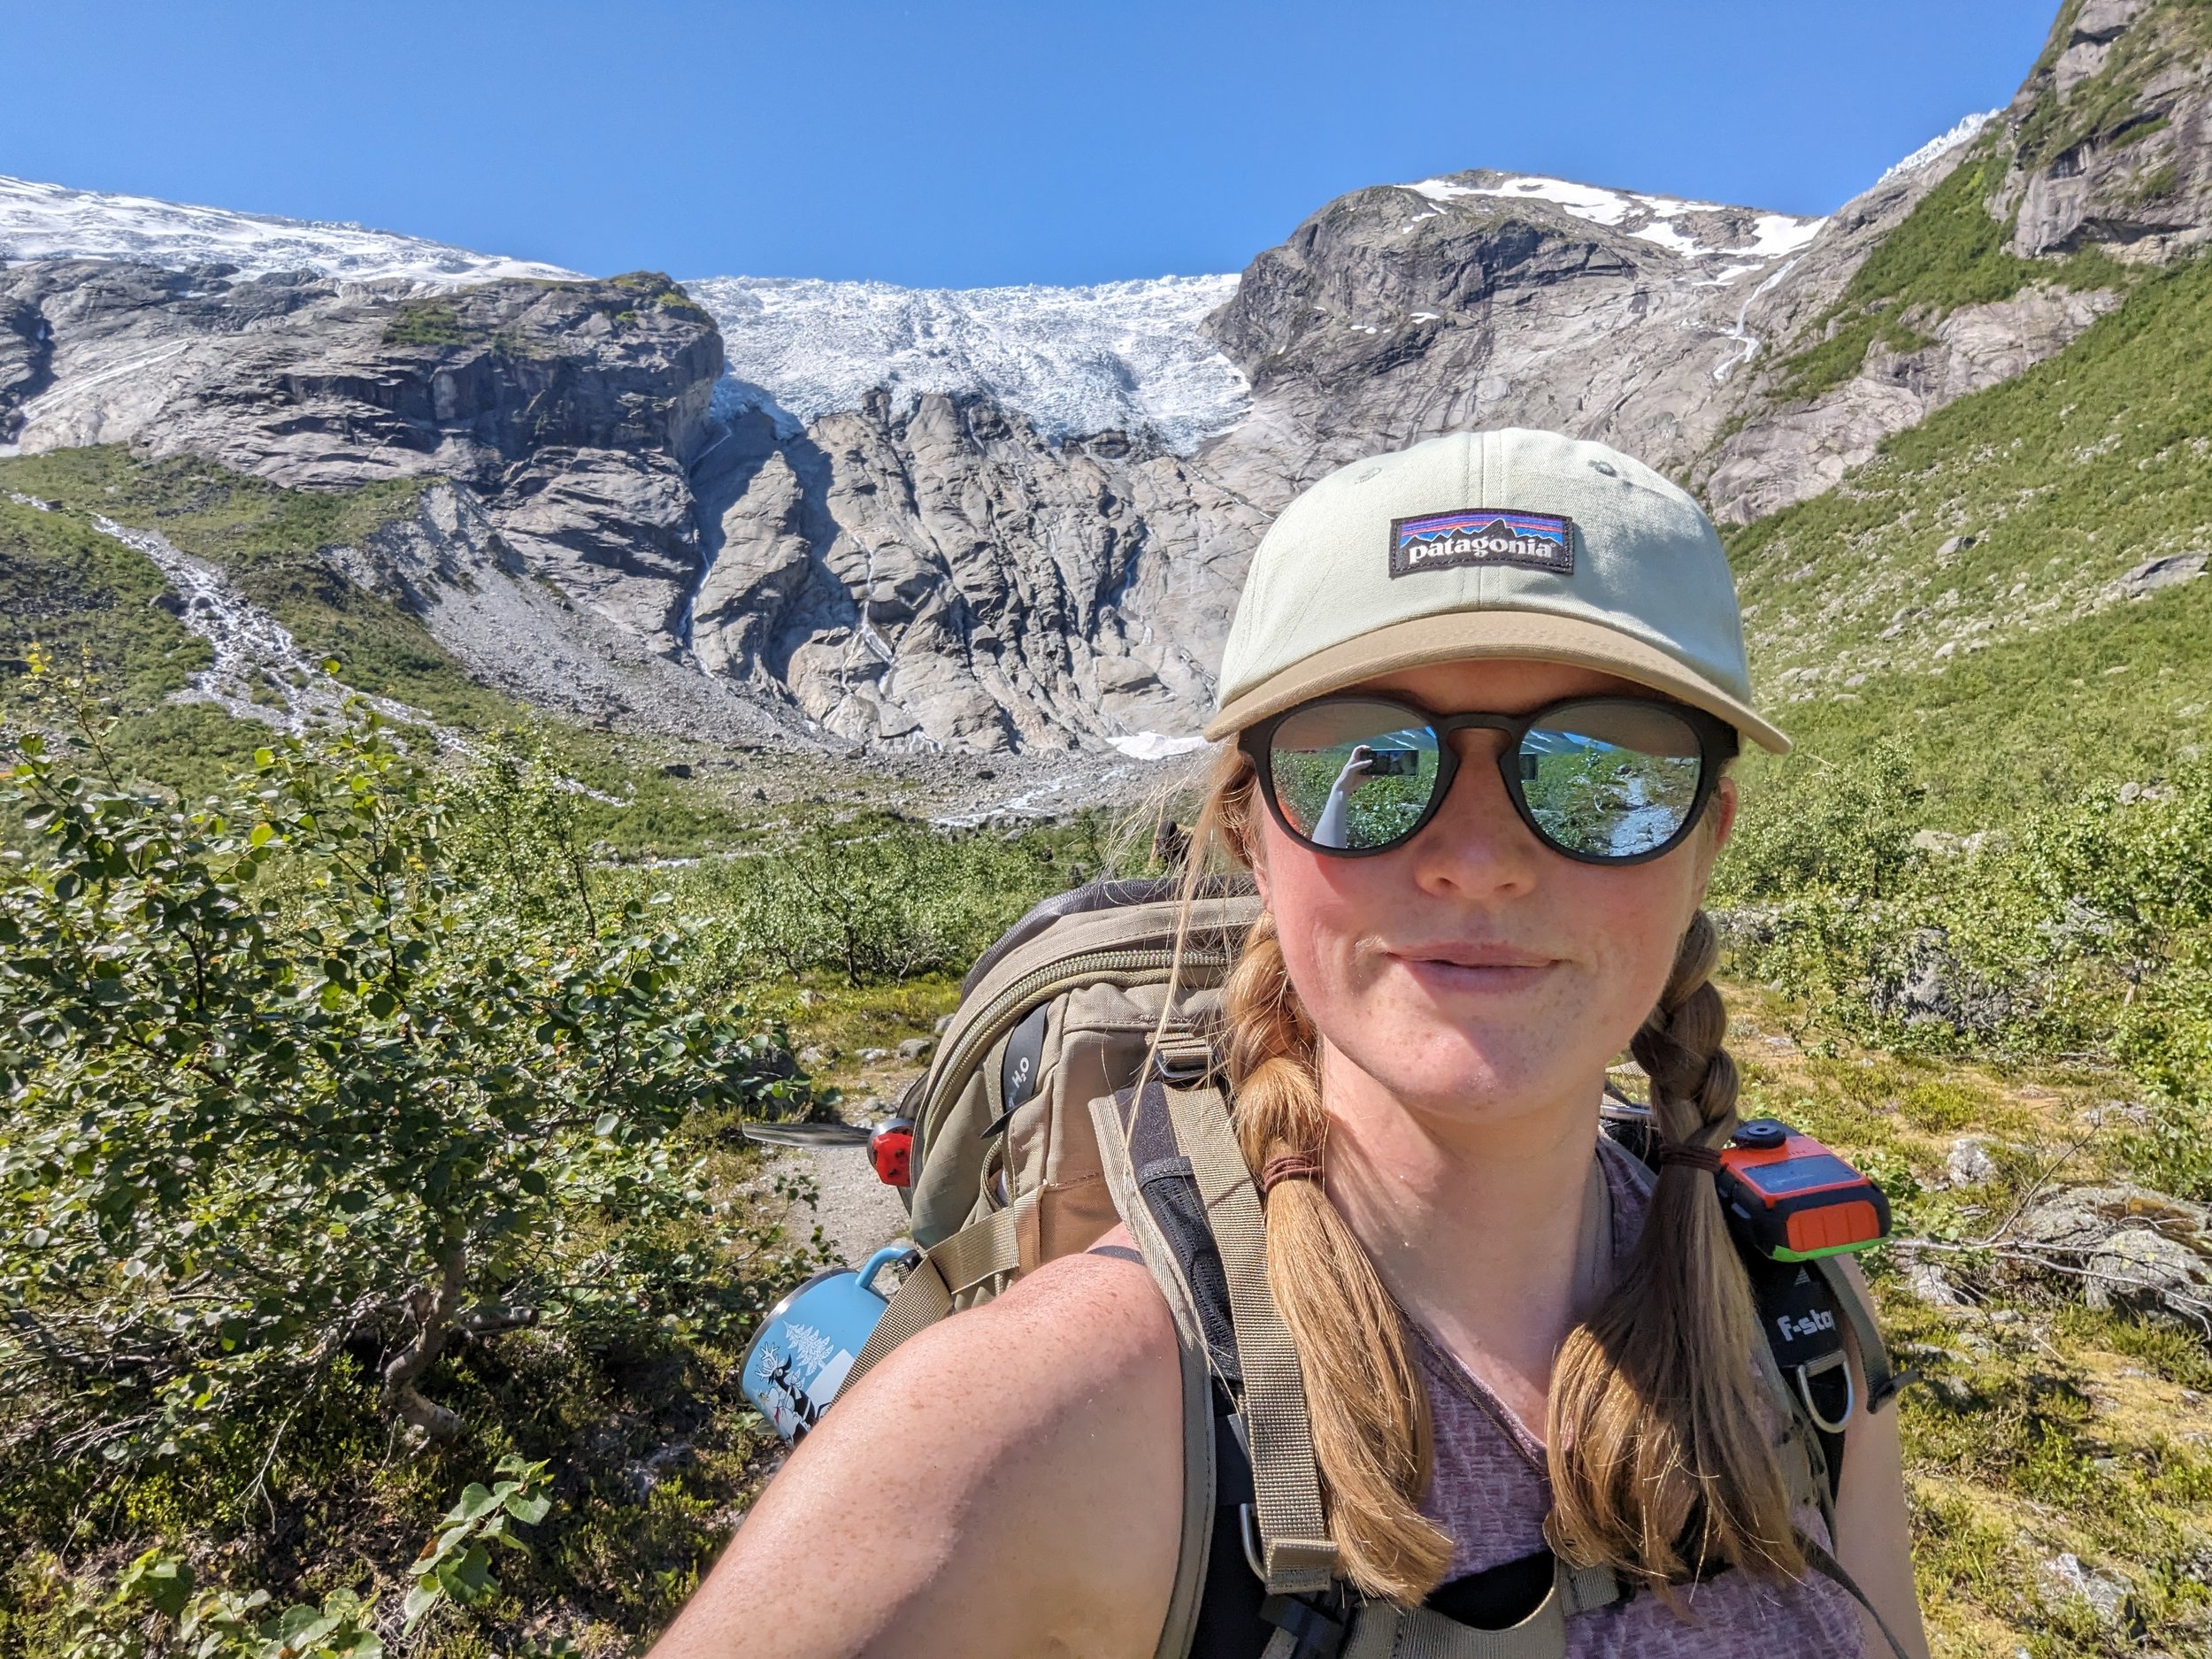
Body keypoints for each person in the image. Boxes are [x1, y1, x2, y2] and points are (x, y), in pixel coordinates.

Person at [652, 429, 1929, 1659]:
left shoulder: (1792, 1317)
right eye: (1366, 767)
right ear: (1254, 832)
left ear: (1707, 837)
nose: (1479, 864)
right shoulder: (1050, 1413)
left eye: (1604, 775)